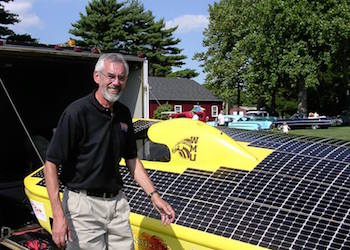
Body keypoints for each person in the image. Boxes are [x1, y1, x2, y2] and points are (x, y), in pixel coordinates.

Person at [44, 53, 175, 250]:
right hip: (83, 207)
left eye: (121, 78)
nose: (116, 82)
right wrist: (58, 213)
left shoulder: (123, 113)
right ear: (97, 77)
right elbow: (51, 164)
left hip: (116, 204)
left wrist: (154, 195)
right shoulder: (76, 113)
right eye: (110, 76)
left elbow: (132, 159)